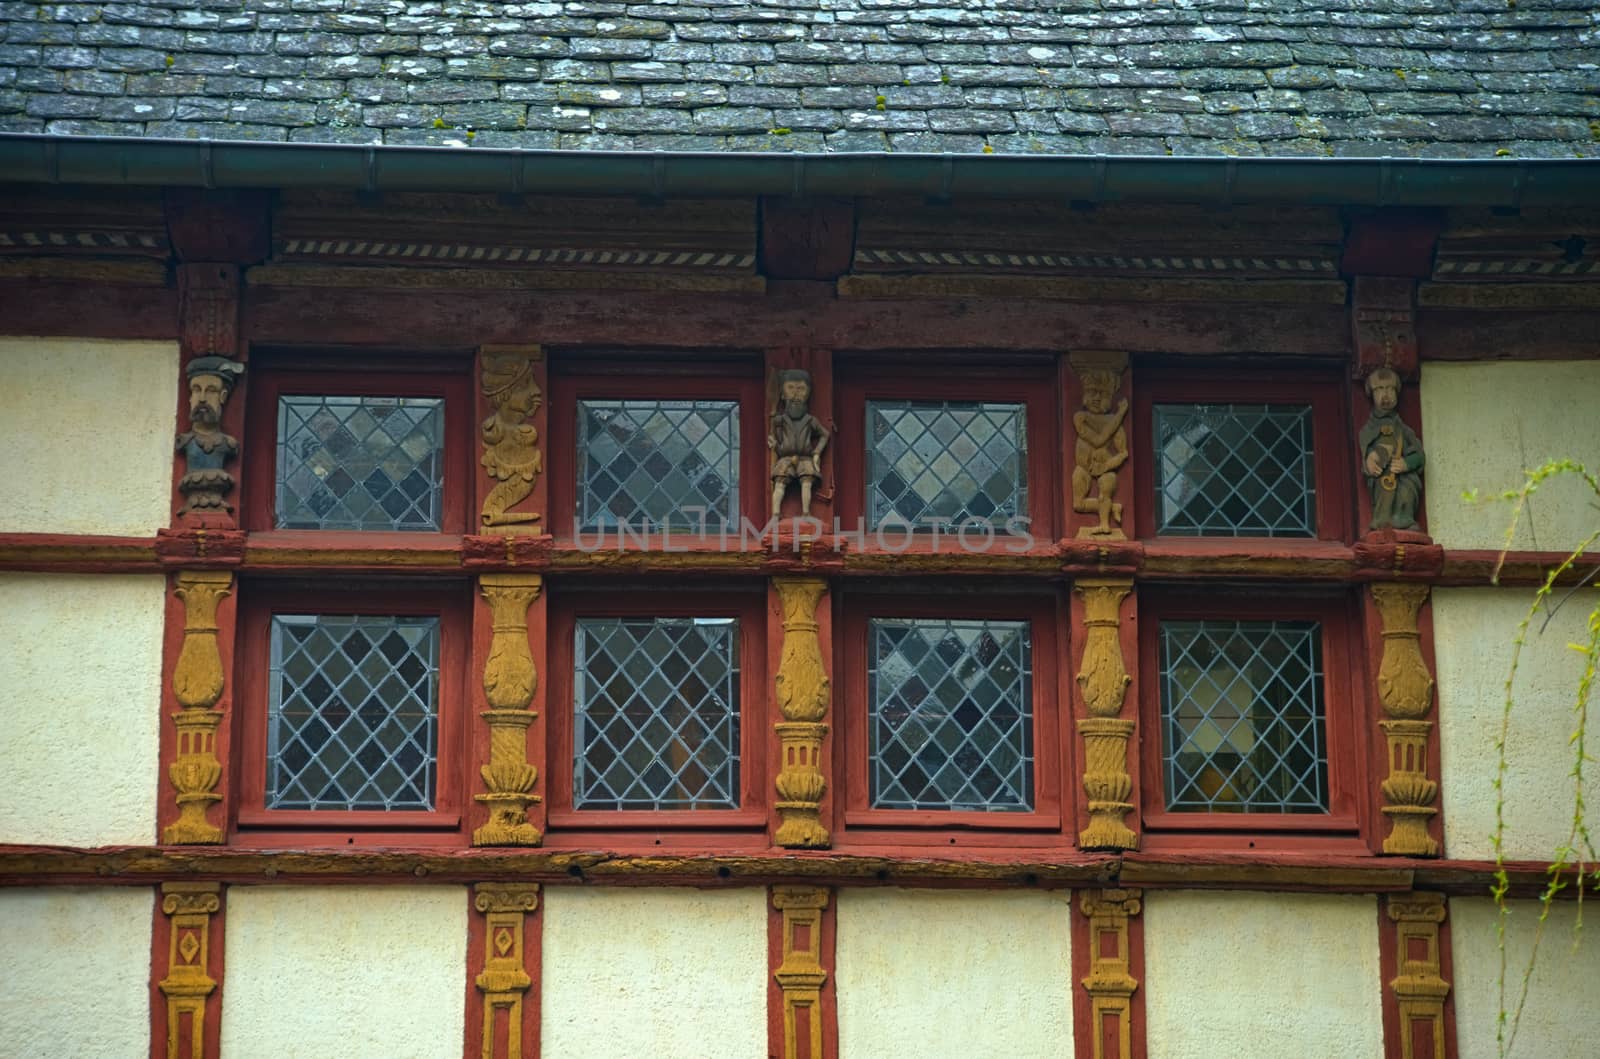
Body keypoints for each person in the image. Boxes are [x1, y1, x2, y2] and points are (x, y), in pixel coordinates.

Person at [175, 355, 244, 514]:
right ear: (190, 397)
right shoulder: (184, 441)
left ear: (223, 396)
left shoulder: (228, 444)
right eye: (197, 390)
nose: (203, 399)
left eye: (211, 390)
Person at [1358, 366, 1425, 531]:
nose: (1385, 394)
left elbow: (1419, 456)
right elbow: (1367, 453)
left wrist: (1406, 463)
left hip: (1402, 477)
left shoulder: (1403, 429)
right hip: (1382, 479)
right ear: (1372, 394)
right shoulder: (1367, 430)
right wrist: (1370, 460)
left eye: (1390, 389)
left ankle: (1404, 520)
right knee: (1383, 490)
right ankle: (1381, 522)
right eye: (1380, 389)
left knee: (1406, 491)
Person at [1072, 368, 1129, 537]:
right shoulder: (1080, 417)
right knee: (1078, 505)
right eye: (1092, 392)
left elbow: (1123, 453)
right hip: (1083, 467)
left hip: (1106, 467)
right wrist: (1119, 414)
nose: (1096, 398)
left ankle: (1105, 525)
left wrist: (1106, 466)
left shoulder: (1116, 427)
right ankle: (1113, 507)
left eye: (1102, 394)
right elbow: (1097, 440)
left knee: (1106, 488)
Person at [768, 369, 829, 518]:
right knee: (780, 483)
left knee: (806, 482)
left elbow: (824, 434)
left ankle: (806, 512)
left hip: (805, 457)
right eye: (791, 388)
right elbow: (773, 433)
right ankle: (776, 513)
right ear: (782, 394)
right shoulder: (780, 419)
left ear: (807, 394)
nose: (796, 394)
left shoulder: (810, 420)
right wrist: (773, 442)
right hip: (786, 457)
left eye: (801, 389)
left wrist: (816, 453)